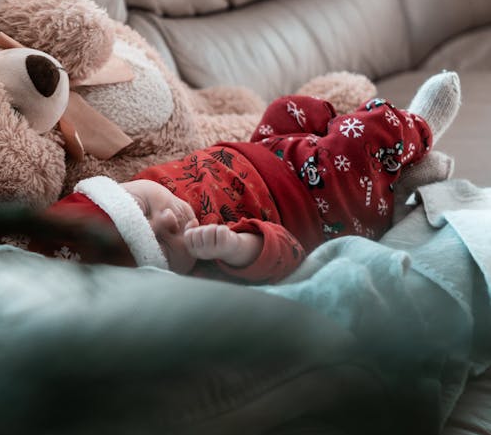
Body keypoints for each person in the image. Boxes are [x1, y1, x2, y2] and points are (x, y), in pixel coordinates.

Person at [42, 71, 462, 284]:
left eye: (141, 209)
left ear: (115, 189)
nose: (167, 221)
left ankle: (400, 175)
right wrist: (238, 246)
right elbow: (286, 254)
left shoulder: (138, 184)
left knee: (290, 109)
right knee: (358, 142)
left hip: (268, 148)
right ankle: (418, 129)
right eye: (158, 245)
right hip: (316, 199)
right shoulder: (206, 262)